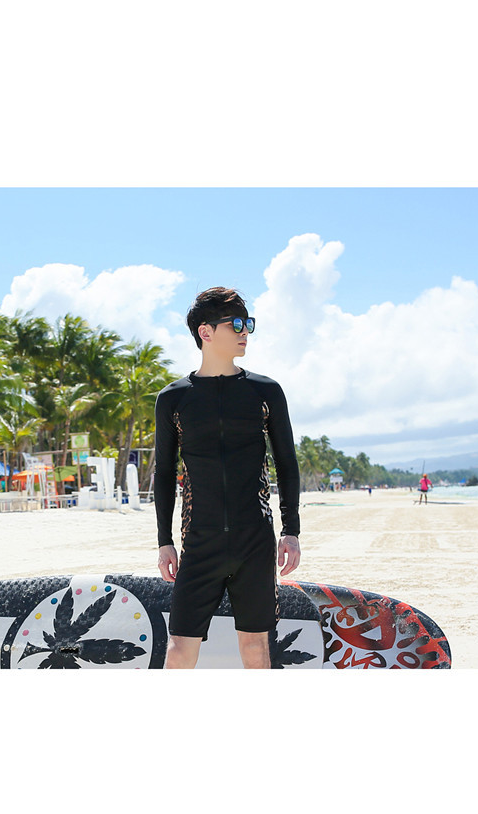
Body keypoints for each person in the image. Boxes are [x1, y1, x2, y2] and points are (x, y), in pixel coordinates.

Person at [154, 285, 301, 669]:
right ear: (205, 332)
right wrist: (164, 541)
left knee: (255, 648)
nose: (245, 331)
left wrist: (291, 531)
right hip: (199, 542)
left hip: (255, 541)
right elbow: (164, 473)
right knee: (178, 650)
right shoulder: (174, 398)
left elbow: (287, 463)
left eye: (248, 323)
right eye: (235, 324)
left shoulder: (265, 391)